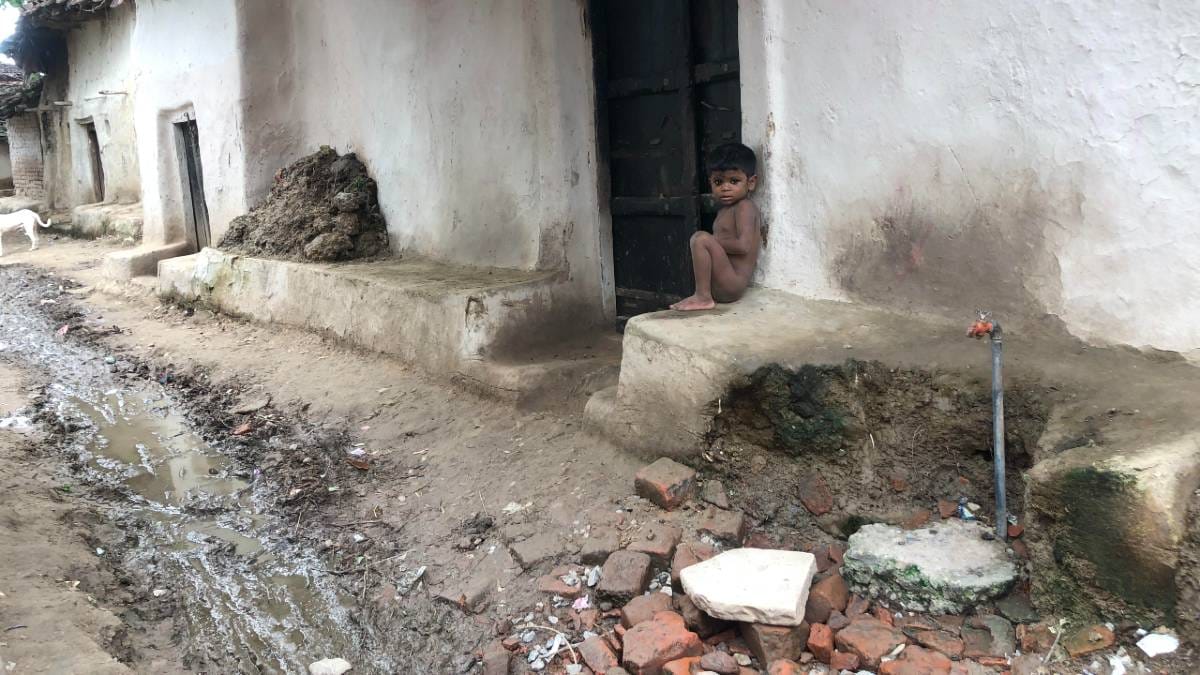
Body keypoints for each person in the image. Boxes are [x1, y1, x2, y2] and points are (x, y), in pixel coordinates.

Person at [670, 143, 762, 311]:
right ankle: (702, 295)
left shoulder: (745, 207)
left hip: (733, 284)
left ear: (751, 182)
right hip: (722, 283)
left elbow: (743, 246)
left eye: (734, 181)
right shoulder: (724, 211)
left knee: (700, 238)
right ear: (710, 183)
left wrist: (712, 240)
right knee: (701, 240)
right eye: (718, 182)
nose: (725, 187)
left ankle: (703, 297)